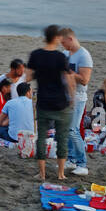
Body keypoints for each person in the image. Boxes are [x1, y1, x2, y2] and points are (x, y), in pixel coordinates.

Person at [26, 25, 76, 182]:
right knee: (62, 137)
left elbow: (28, 77)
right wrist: (72, 98)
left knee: (41, 137)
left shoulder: (35, 55)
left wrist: (40, 72)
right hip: (61, 103)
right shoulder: (61, 57)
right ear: (56, 38)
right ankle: (61, 174)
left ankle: (42, 173)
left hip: (44, 102)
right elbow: (69, 80)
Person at [59, 27, 93, 176]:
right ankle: (71, 159)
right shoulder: (65, 54)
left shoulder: (84, 56)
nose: (62, 45)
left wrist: (70, 73)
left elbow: (85, 80)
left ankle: (82, 164)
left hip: (78, 97)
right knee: (66, 130)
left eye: (64, 42)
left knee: (73, 130)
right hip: (65, 96)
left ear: (71, 39)